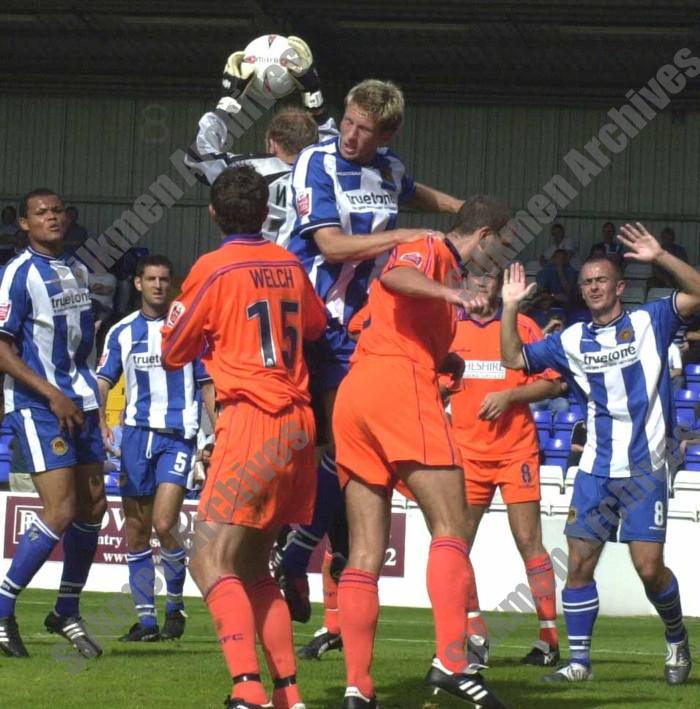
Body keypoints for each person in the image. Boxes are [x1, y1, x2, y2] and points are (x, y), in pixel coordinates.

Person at [278, 78, 466, 633]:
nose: (352, 136)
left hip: (356, 329)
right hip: (308, 320)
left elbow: (414, 190)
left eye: (366, 129)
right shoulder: (316, 162)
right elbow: (330, 245)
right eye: (349, 122)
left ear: (388, 133)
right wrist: (404, 235)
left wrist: (464, 211)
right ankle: (294, 552)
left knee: (346, 452)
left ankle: (308, 558)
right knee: (309, 450)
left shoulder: (388, 168)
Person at [500, 222, 700, 686]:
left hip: (645, 468)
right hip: (594, 469)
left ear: (619, 287)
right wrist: (510, 308)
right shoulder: (570, 340)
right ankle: (579, 663)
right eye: (587, 281)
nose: (592, 287)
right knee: (578, 564)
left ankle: (676, 637)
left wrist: (661, 257)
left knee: (648, 568)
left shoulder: (651, 320)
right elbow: (513, 359)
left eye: (601, 280)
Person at [161, 165, 328, 709]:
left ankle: (246, 688)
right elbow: (316, 326)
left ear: (213, 213)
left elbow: (173, 350)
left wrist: (214, 336)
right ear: (264, 213)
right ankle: (288, 694)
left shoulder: (213, 268)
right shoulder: (289, 262)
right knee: (255, 567)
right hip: (298, 422)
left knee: (206, 557)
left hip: (253, 416)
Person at [333, 196, 509, 709]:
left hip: (358, 394)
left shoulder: (441, 271)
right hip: (397, 386)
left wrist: (442, 357)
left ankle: (358, 688)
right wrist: (454, 295)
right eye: (502, 243)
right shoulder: (431, 247)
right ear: (485, 236)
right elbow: (397, 278)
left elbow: (372, 320)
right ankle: (452, 661)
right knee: (452, 526)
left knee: (365, 551)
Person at [0, 188, 105, 659]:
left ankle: (65, 609)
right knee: (61, 509)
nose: (52, 218)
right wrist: (52, 393)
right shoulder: (17, 274)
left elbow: (80, 342)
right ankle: (2, 606)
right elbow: (2, 349)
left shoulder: (78, 270)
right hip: (39, 404)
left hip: (82, 402)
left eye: (58, 211)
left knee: (93, 506)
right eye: (41, 213)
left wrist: (88, 394)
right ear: (24, 224)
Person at [449, 267, 565, 668]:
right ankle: (474, 632)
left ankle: (548, 639)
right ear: (464, 282)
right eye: (475, 276)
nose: (482, 283)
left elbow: (554, 383)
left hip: (517, 451)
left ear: (500, 284)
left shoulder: (523, 325)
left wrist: (510, 396)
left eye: (489, 276)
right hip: (467, 454)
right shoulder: (449, 327)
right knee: (457, 546)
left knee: (529, 541)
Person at [97, 254, 215, 642]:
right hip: (135, 437)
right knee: (136, 528)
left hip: (176, 436)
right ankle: (146, 621)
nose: (159, 286)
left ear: (171, 283)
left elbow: (207, 385)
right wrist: (100, 420)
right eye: (151, 279)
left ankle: (175, 606)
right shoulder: (121, 331)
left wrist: (218, 431)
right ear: (137, 283)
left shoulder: (190, 330)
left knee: (164, 523)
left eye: (164, 279)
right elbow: (103, 379)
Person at [184, 38, 334, 249]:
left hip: (259, 263)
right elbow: (334, 146)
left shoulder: (249, 173)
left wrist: (228, 101)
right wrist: (313, 95)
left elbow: (197, 157)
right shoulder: (328, 172)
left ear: (271, 144)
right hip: (311, 266)